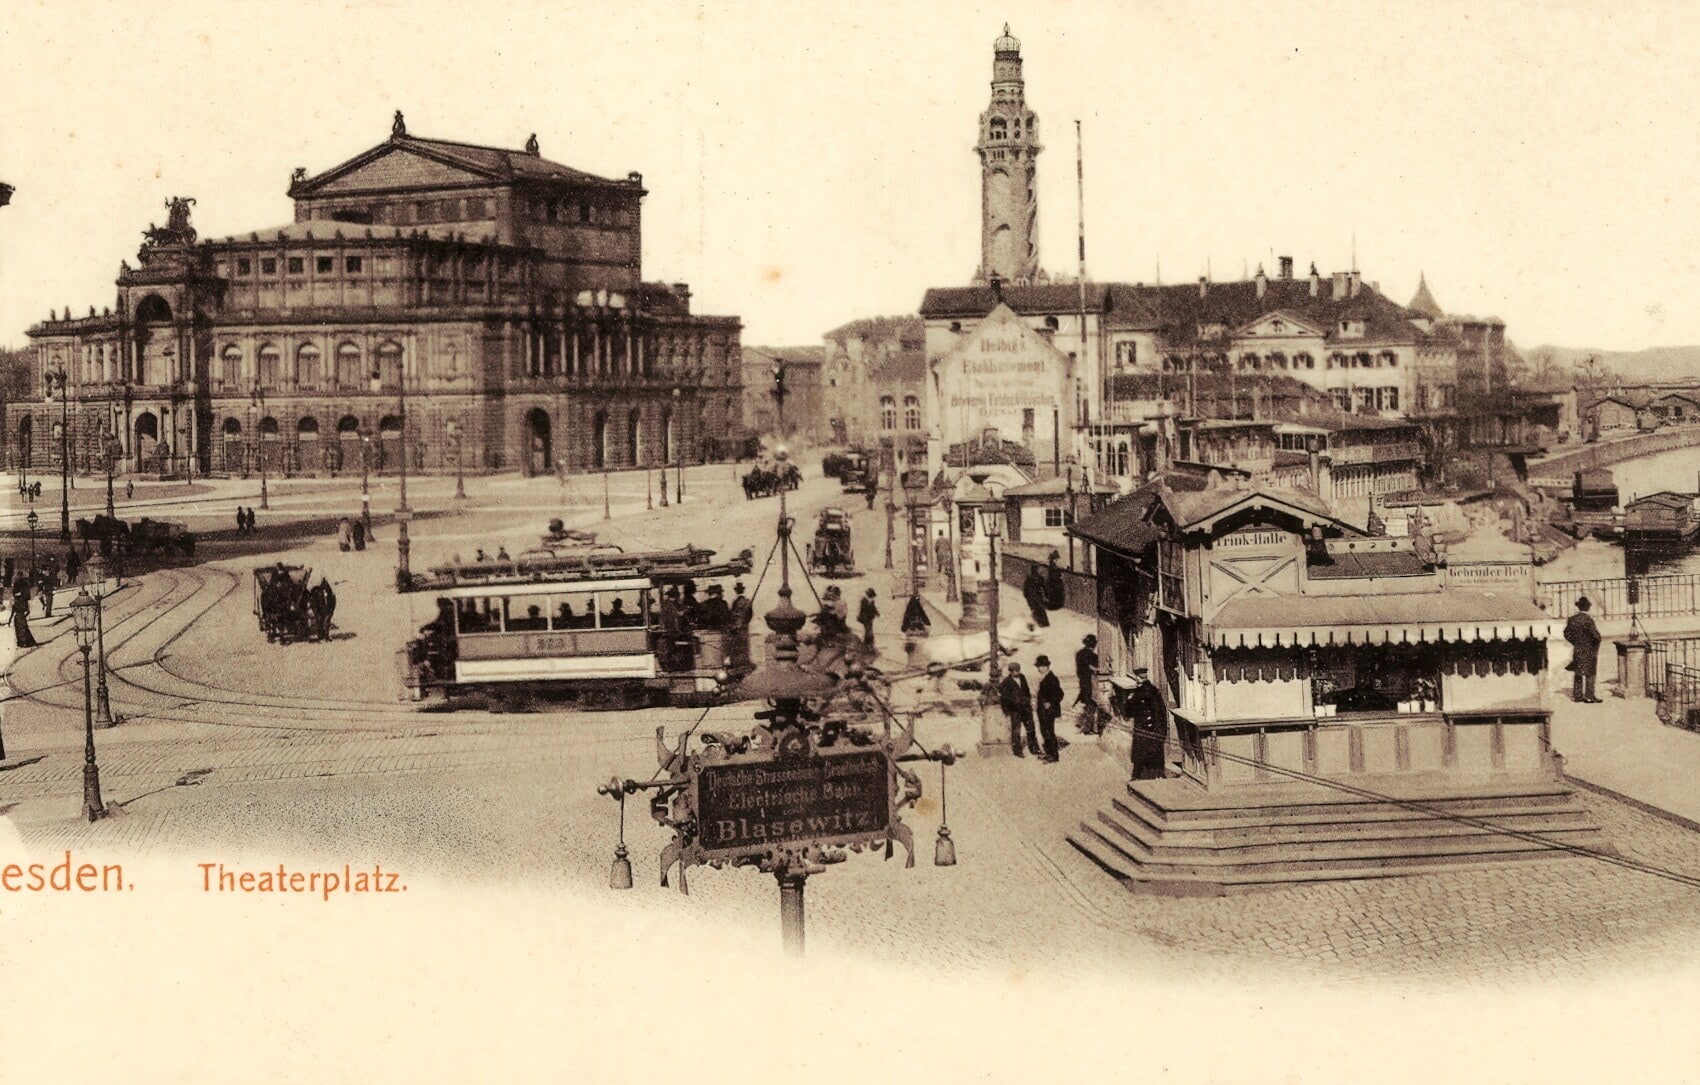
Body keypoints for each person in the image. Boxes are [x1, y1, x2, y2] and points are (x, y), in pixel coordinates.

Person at [1122, 667, 1170, 781]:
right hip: (1153, 732)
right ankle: (1156, 776)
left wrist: (1128, 700)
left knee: (1142, 757)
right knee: (1153, 757)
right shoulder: (1154, 691)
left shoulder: (1139, 694)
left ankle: (1138, 777)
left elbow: (1128, 713)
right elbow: (1161, 713)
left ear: (1138, 678)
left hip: (1144, 731)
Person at [1564, 596, 1603, 703]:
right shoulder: (1588, 620)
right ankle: (1589, 696)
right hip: (1589, 649)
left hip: (1578, 649)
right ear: (1588, 608)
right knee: (1590, 672)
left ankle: (1578, 696)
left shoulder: (1572, 619)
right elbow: (1596, 636)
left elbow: (1566, 634)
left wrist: (1575, 642)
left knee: (1578, 671)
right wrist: (1595, 644)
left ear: (1579, 607)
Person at [999, 662, 1040, 758]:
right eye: (1015, 671)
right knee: (1016, 731)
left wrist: (1028, 701)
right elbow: (1003, 697)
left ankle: (1034, 748)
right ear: (1010, 671)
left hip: (1026, 708)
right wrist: (1007, 710)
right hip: (1015, 710)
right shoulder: (1006, 681)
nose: (1017, 672)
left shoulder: (1022, 677)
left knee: (1031, 728)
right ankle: (1017, 751)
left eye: (1018, 670)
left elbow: (1026, 691)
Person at [1034, 655, 1064, 762]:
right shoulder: (1044, 678)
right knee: (1044, 732)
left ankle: (1054, 756)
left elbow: (1060, 694)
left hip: (1049, 711)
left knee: (1049, 732)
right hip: (1042, 711)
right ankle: (1048, 753)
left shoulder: (1052, 678)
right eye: (1039, 666)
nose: (1040, 669)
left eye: (1042, 666)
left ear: (1047, 666)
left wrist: (1050, 702)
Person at [1074, 635, 1102, 734]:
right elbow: (1092, 668)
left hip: (1082, 681)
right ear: (1094, 644)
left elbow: (1080, 669)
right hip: (1090, 682)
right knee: (1092, 704)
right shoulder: (1093, 656)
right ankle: (1087, 728)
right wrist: (1100, 669)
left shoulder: (1079, 654)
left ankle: (1084, 726)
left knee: (1086, 702)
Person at [11, 577, 36, 648]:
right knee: (23, 628)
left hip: (19, 614)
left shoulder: (20, 594)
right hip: (20, 614)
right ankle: (25, 642)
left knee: (21, 629)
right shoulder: (23, 592)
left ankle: (23, 642)